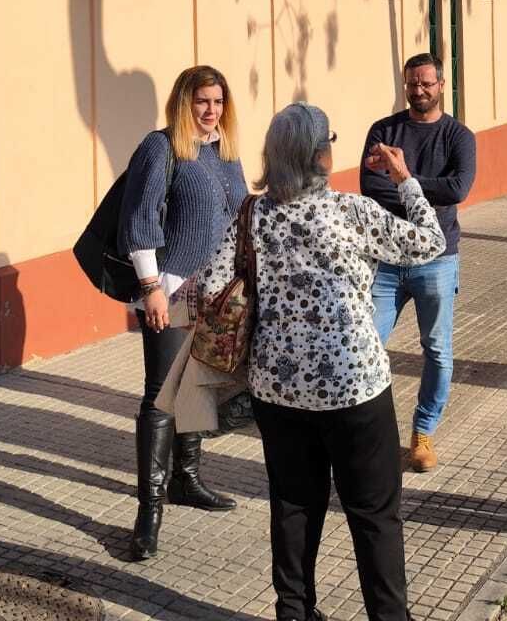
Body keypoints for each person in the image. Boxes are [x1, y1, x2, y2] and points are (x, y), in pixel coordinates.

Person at [202, 102, 445, 621]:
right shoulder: (352, 212)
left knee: (293, 506)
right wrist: (405, 181)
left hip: (278, 393)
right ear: (319, 155)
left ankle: (294, 612)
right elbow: (431, 240)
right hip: (354, 389)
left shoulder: (252, 214)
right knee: (374, 513)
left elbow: (208, 287)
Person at [118, 64, 248, 562]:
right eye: (201, 102)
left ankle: (186, 480)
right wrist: (150, 286)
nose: (210, 110)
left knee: (197, 388)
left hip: (219, 296)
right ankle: (148, 511)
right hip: (171, 290)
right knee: (160, 397)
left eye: (217, 102)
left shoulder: (225, 153)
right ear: (183, 102)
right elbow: (141, 216)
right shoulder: (161, 147)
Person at [359, 53, 476, 473]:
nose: (419, 90)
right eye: (412, 83)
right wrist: (417, 187)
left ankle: (423, 433)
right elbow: (371, 188)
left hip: (437, 260)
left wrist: (403, 176)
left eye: (427, 83)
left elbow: (458, 188)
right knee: (366, 342)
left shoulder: (458, 135)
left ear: (441, 84)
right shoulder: (384, 130)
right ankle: (373, 431)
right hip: (386, 261)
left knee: (438, 350)